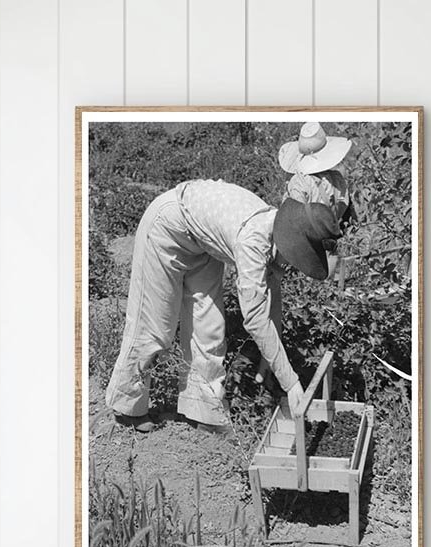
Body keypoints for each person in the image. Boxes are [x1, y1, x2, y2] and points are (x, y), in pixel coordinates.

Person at [104, 178, 342, 433]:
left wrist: (270, 356)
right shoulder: (253, 242)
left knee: (210, 328)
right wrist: (291, 382)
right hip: (167, 228)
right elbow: (256, 320)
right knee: (155, 325)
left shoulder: (274, 231)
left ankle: (203, 411)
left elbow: (272, 299)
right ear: (290, 243)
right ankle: (127, 405)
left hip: (202, 243)